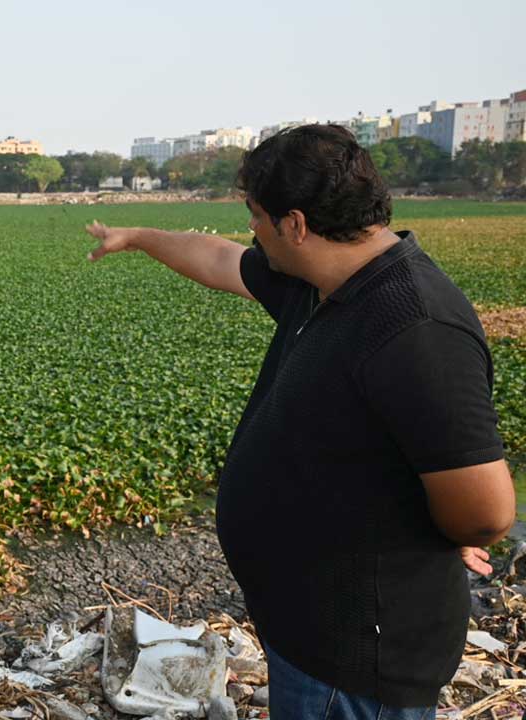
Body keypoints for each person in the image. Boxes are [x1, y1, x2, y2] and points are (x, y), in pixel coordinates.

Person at [85, 124, 514, 718]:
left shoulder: (416, 329)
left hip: (356, 663)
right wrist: (135, 236)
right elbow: (218, 258)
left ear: (296, 224)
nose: (250, 233)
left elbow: (486, 513)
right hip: (308, 636)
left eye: (257, 217)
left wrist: (432, 536)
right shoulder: (317, 284)